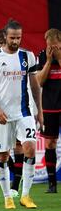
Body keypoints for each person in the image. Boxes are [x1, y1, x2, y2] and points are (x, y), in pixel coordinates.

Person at [0, 19, 43, 209]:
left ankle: (25, 196)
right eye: (12, 37)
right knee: (2, 157)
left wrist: (39, 111)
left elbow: (34, 84)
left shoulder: (28, 56)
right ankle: (8, 197)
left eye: (19, 37)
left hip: (24, 112)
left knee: (31, 149)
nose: (16, 41)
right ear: (5, 37)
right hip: (2, 116)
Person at [0, 28, 25, 198]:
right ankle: (15, 173)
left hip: (20, 109)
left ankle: (16, 182)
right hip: (0, 110)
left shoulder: (23, 58)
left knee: (19, 144)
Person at [36, 28, 61, 193]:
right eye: (48, 45)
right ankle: (52, 183)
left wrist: (59, 58)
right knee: (50, 143)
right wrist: (49, 61)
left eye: (54, 45)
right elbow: (39, 81)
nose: (51, 48)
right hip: (50, 107)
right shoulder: (43, 55)